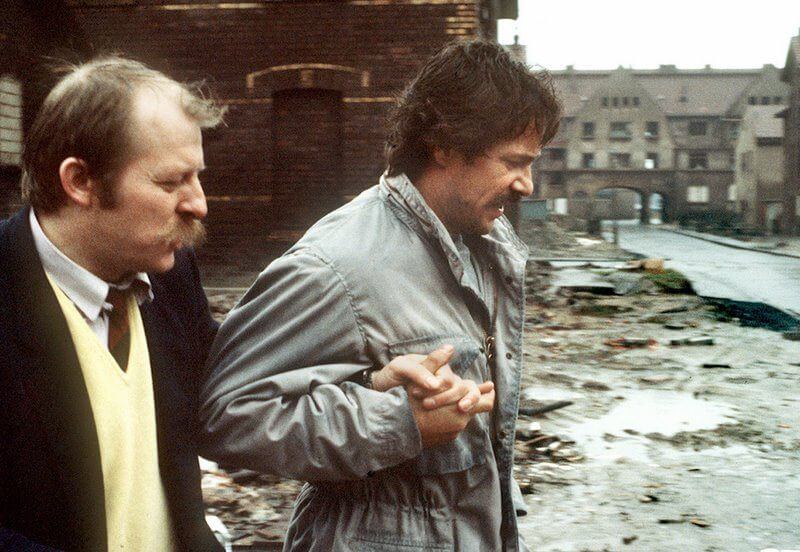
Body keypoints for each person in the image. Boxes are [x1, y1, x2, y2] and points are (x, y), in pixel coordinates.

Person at [200, 39, 561, 551]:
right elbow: (227, 415)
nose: (527, 185)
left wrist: (374, 387)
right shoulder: (339, 265)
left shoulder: (482, 246)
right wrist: (397, 422)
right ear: (445, 146)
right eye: (513, 162)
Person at [0, 57, 226, 551]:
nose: (199, 204)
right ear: (80, 181)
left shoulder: (170, 274)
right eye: (170, 182)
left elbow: (226, 395)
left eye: (197, 176)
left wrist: (367, 386)